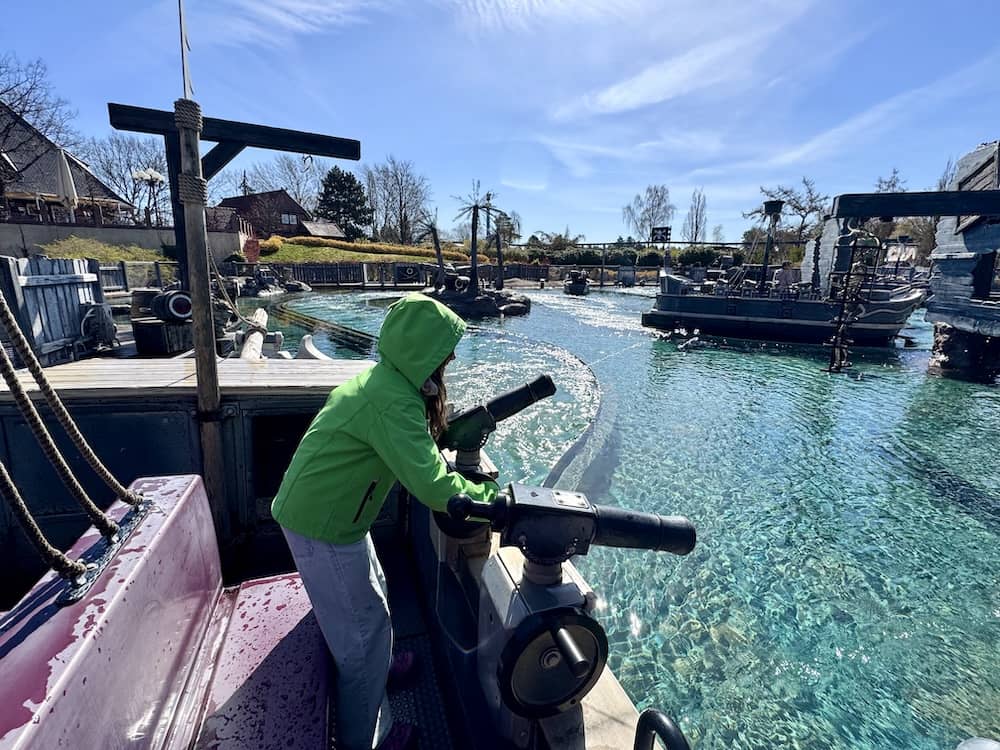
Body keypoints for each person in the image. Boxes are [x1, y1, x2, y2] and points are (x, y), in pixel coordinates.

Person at [271, 293, 498, 750]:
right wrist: (491, 499)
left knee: (377, 594)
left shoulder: (387, 382)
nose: (451, 358)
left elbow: (415, 448)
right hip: (323, 529)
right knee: (361, 646)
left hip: (333, 520)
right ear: (422, 351)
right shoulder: (393, 402)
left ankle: (383, 666)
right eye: (444, 350)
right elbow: (434, 487)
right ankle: (368, 739)